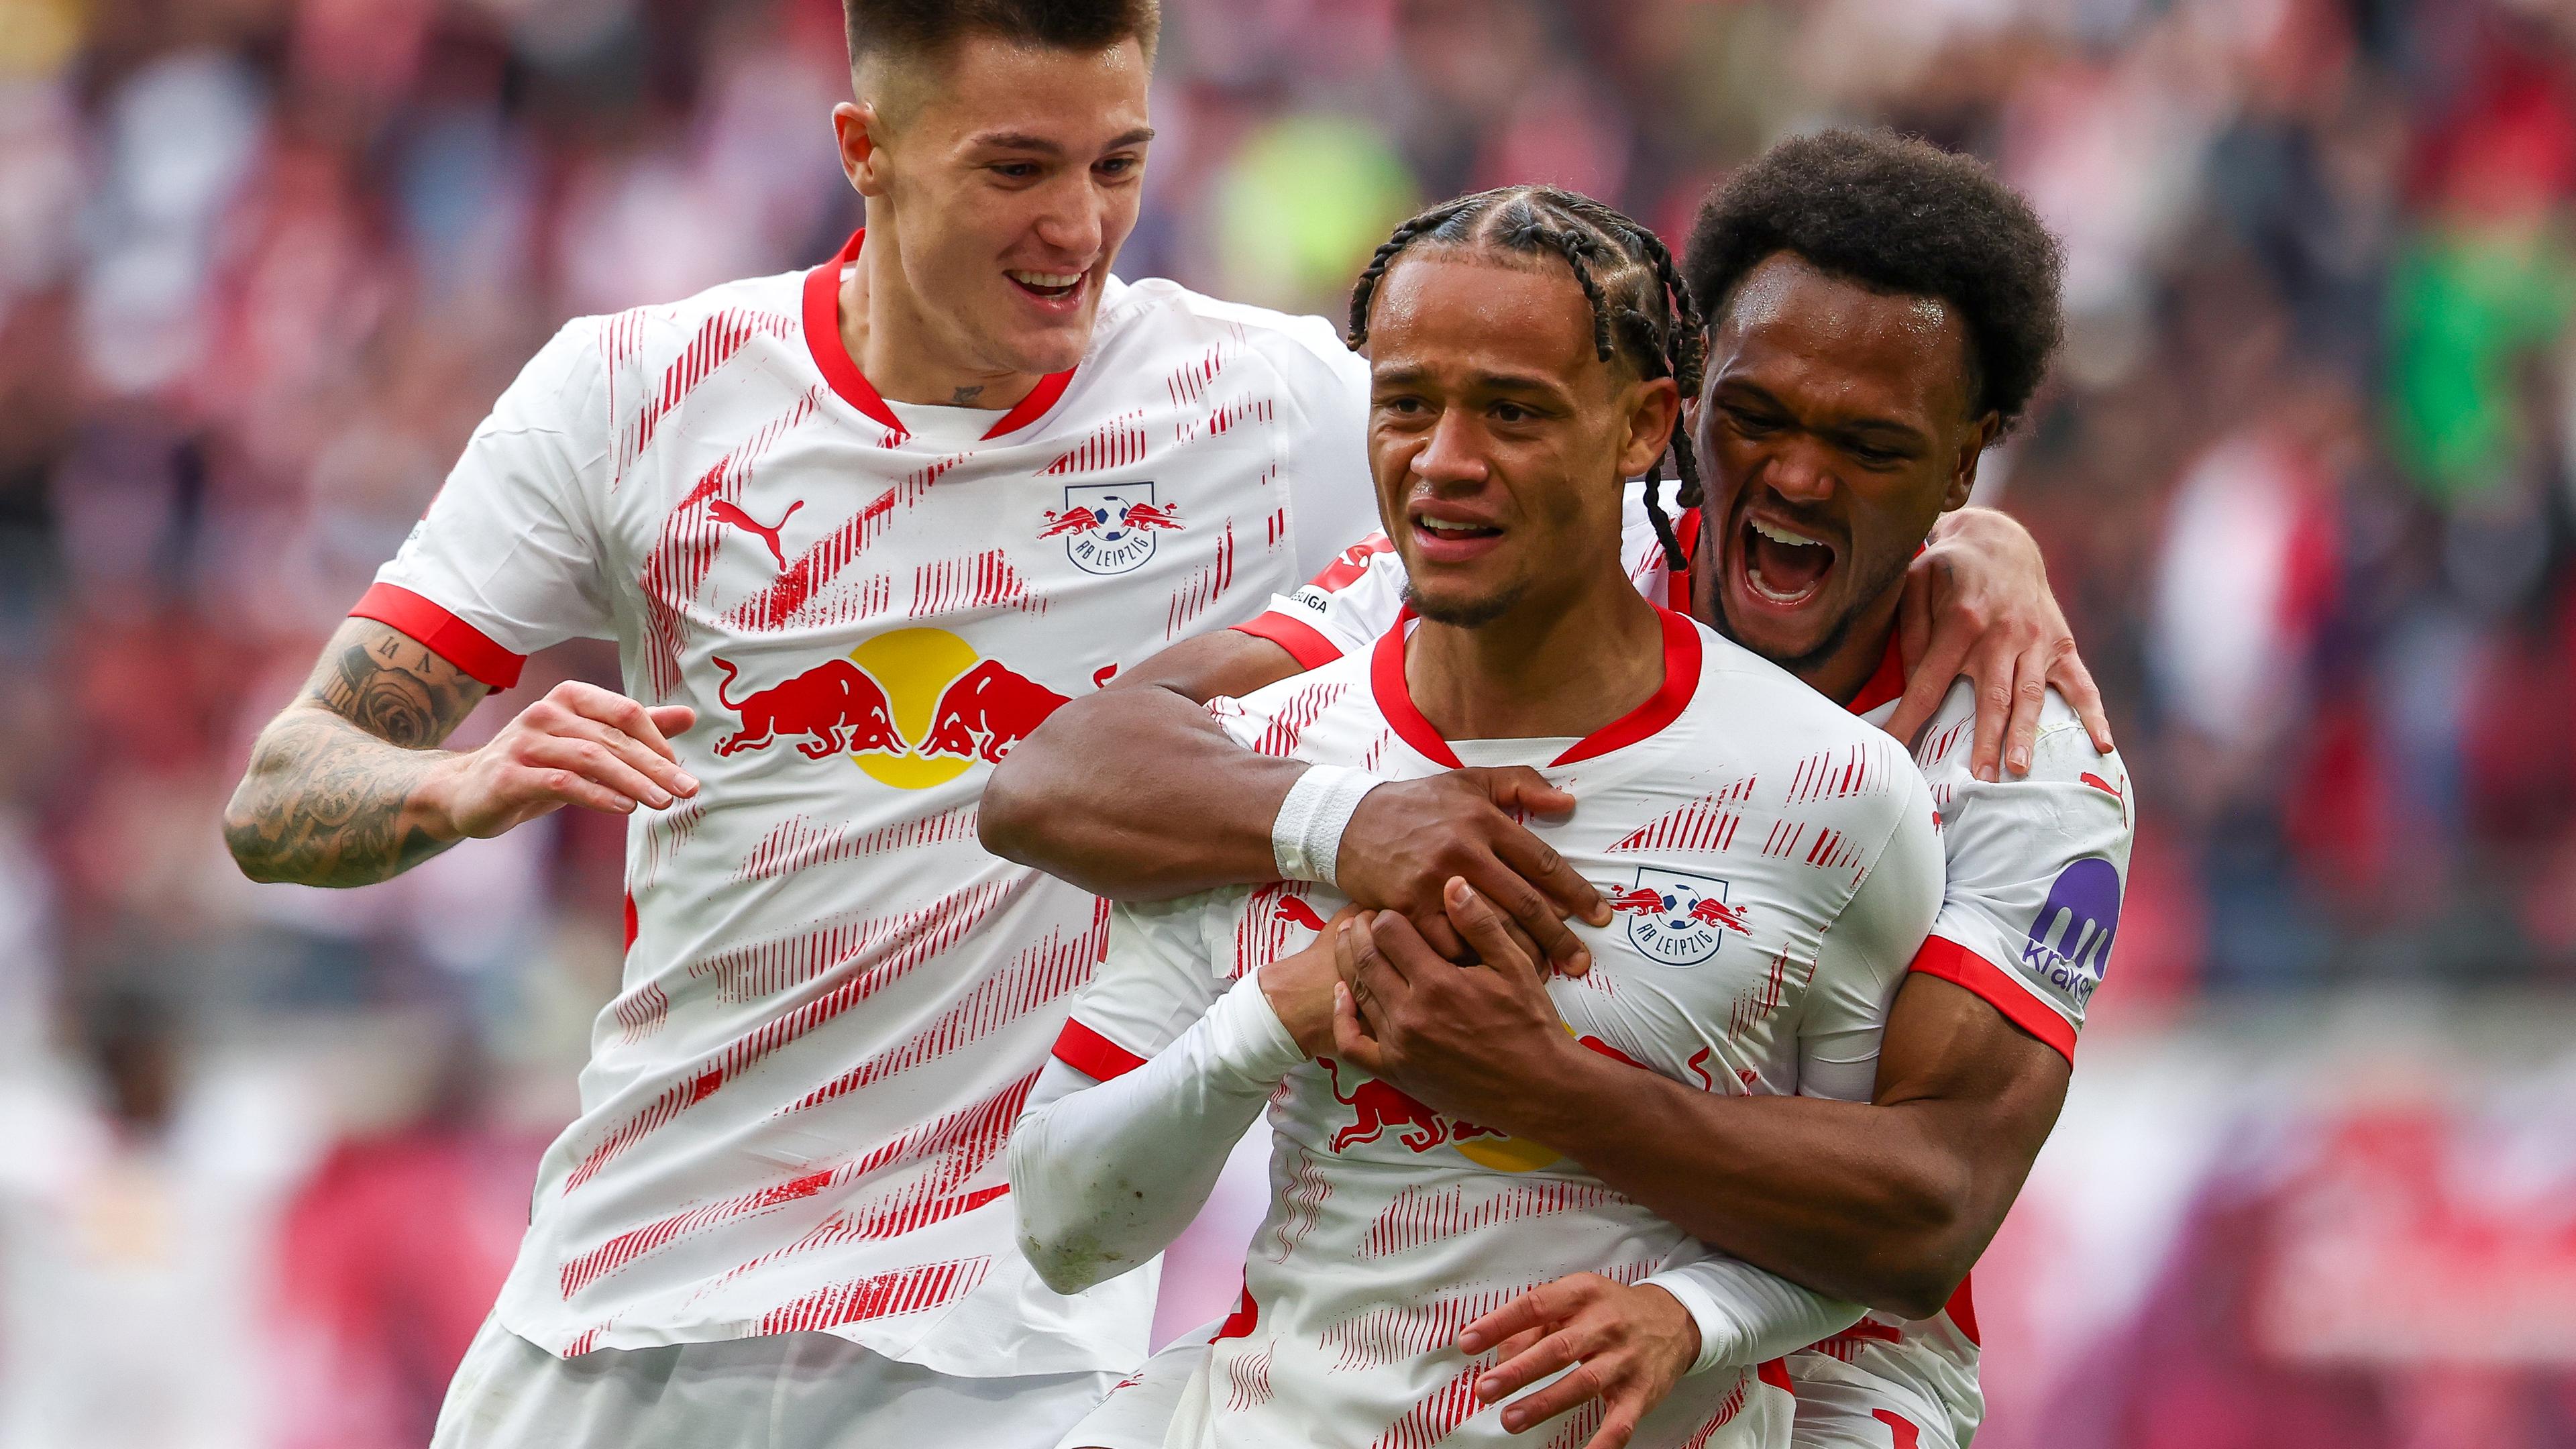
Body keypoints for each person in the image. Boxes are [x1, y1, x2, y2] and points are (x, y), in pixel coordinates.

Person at [219, 2, 1394, 1444]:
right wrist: (460, 787)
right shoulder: (639, 395)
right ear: (866, 150)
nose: (1079, 228)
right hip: (626, 1304)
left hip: (995, 1350)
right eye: (1016, 170)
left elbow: (1592, 526)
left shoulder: (1268, 412)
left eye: (1117, 164)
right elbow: (280, 797)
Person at [983, 129, 2131, 1449]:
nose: (1800, 475)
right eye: (1757, 417)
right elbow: (1059, 773)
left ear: (1964, 464)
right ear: (1682, 408)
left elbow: (1928, 1209)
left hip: (1826, 1358)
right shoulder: (1511, 570)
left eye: (1872, 445)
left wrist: (1549, 1097)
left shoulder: (2008, 766)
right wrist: (1355, 826)